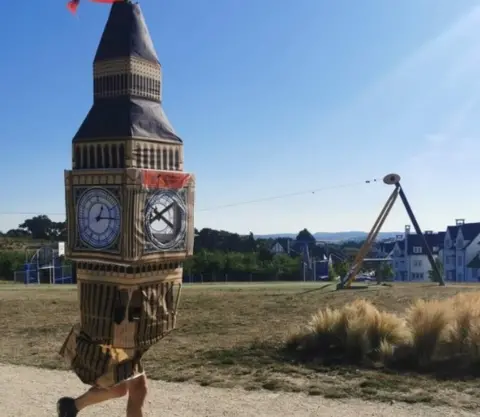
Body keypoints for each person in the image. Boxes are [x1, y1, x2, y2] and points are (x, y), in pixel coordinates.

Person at [57, 374, 148, 417]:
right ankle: (71, 406)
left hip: (126, 341)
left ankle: (71, 406)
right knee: (137, 387)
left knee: (118, 388)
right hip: (116, 340)